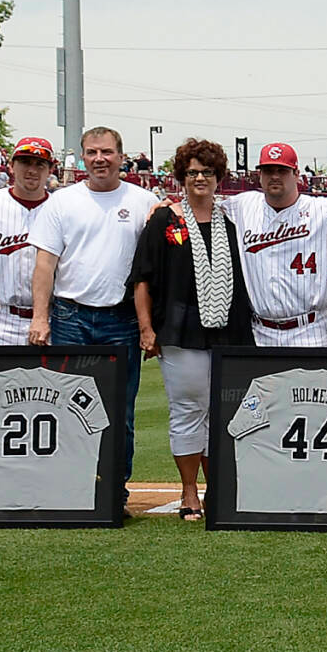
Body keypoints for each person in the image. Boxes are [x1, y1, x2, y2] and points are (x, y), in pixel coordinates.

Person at [28, 126, 160, 478]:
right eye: (91, 152)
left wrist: (149, 325)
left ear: (121, 156)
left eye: (106, 152)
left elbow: (153, 268)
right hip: (71, 316)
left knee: (120, 411)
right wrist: (40, 318)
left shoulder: (143, 202)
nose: (99, 159)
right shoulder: (61, 202)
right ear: (82, 157)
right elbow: (45, 265)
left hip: (122, 319)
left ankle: (116, 487)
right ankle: (72, 484)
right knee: (66, 404)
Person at [131, 139, 252, 520]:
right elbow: (142, 279)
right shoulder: (164, 220)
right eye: (193, 172)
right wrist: (147, 329)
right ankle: (188, 491)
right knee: (187, 410)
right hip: (181, 330)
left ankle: (217, 487)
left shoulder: (233, 220)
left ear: (219, 177)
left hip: (229, 331)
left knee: (223, 412)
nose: (200, 178)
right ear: (182, 177)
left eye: (208, 172)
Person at [221, 142, 327, 346]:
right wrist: (168, 206)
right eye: (268, 170)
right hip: (259, 332)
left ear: (296, 173)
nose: (274, 176)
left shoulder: (325, 210)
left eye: (282, 170)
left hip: (311, 331)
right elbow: (201, 206)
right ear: (259, 175)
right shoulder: (242, 206)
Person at [0, 136, 59, 343]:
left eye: (40, 164)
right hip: (0, 317)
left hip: (51, 318)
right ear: (11, 166)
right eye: (25, 162)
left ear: (50, 169)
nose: (32, 170)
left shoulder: (61, 207)